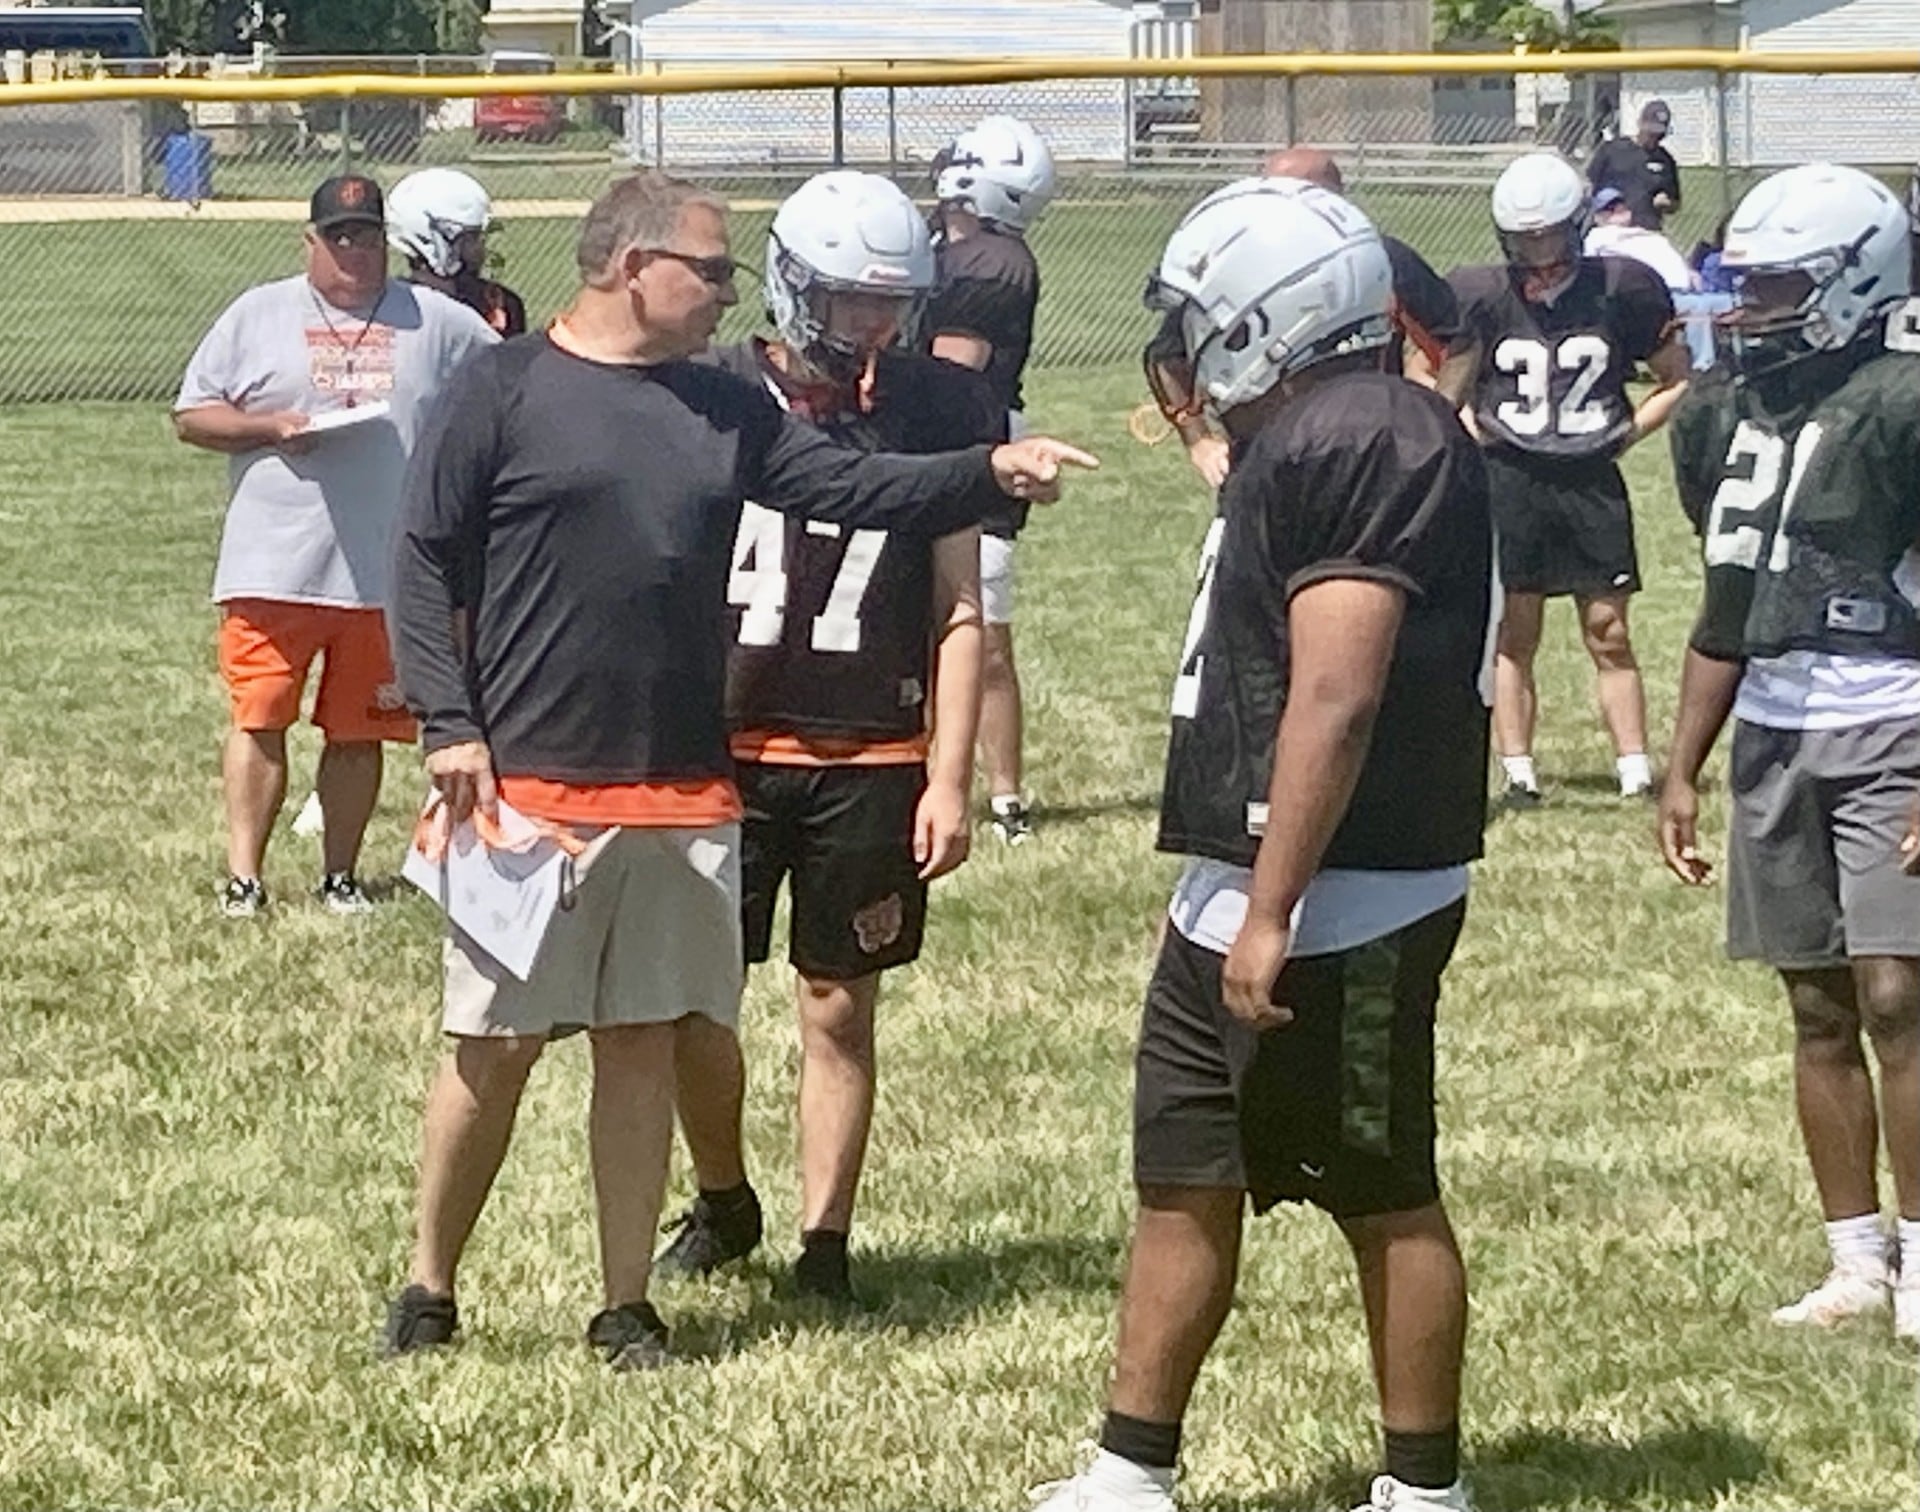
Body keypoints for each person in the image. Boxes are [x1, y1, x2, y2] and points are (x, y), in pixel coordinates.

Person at [380, 171, 1093, 1370]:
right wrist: (450, 723)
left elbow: (852, 487)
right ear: (627, 266)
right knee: (493, 1048)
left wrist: (987, 473)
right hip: (527, 790)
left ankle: (623, 1306)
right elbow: (420, 557)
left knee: (644, 1044)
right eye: (709, 270)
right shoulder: (501, 387)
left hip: (681, 783)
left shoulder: (720, 406)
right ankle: (429, 1284)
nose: (727, 293)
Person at [1029, 177, 1492, 1512]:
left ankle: (1423, 1487)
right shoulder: (1317, 430)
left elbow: (1337, 693)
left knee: (1381, 1185)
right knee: (1183, 1178)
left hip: (1343, 892)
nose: (1181, 348)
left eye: (1200, 317)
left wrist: (1278, 901)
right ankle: (1131, 1466)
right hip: (1238, 882)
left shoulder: (1372, 434)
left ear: (1268, 316)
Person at [657, 171, 995, 1303]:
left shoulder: (939, 408)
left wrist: (950, 774)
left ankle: (825, 1242)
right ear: (797, 284)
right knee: (695, 1000)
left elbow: (957, 605)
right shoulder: (706, 392)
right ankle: (723, 1193)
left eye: (889, 303)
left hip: (870, 748)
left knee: (839, 1000)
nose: (874, 325)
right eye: (851, 300)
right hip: (727, 743)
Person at [1659, 163, 1920, 1343]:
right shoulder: (1722, 412)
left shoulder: (1903, 403)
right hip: (1773, 721)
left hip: (1893, 709)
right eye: (1741, 285)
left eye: (1772, 287)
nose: (1745, 309)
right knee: (1817, 1004)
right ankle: (1855, 1256)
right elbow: (1732, 598)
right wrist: (1682, 760)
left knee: (1899, 992)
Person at [173, 173, 498, 919]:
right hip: (273, 566)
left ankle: (339, 876)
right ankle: (245, 878)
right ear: (311, 242)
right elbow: (192, 414)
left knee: (361, 732)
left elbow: (505, 380)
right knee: (261, 718)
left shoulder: (437, 321)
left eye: (369, 236)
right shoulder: (259, 312)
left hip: (386, 572)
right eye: (340, 236)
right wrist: (268, 428)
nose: (355, 250)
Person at [1449, 151, 1692, 804]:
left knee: (1609, 629)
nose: (1538, 249)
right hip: (1512, 474)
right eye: (1525, 237)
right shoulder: (1479, 293)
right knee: (1514, 630)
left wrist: (1628, 433)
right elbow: (1438, 377)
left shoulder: (1623, 285)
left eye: (1549, 233)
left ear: (1578, 224)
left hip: (1590, 477)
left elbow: (1679, 376)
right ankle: (1519, 771)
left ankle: (1635, 767)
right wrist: (1474, 431)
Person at [1161, 147, 1481, 492]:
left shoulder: (1379, 260)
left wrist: (1430, 422)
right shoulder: (1230, 270)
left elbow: (1459, 342)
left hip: (1366, 458)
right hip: (1263, 458)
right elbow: (1166, 354)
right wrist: (1199, 441)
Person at [925, 114, 1054, 845]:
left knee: (980, 630)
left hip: (970, 455)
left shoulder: (993, 262)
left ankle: (1004, 795)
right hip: (937, 452)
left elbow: (950, 372)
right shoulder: (950, 247)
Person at [387, 166, 528, 337]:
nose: (480, 251)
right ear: (433, 240)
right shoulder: (392, 309)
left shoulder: (499, 305)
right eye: (470, 239)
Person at [1587, 99, 1681, 231]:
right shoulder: (1613, 150)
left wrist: (1666, 202)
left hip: (1646, 230)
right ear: (1641, 123)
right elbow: (1590, 183)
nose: (1654, 138)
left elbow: (1675, 201)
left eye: (1660, 134)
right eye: (1651, 132)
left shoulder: (1665, 160)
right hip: (1610, 228)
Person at [1585, 186, 1697, 293]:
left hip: (1683, 291)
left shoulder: (1647, 236)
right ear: (1597, 217)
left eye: (1621, 204)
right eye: (1610, 208)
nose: (1618, 208)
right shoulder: (1597, 236)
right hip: (1650, 294)